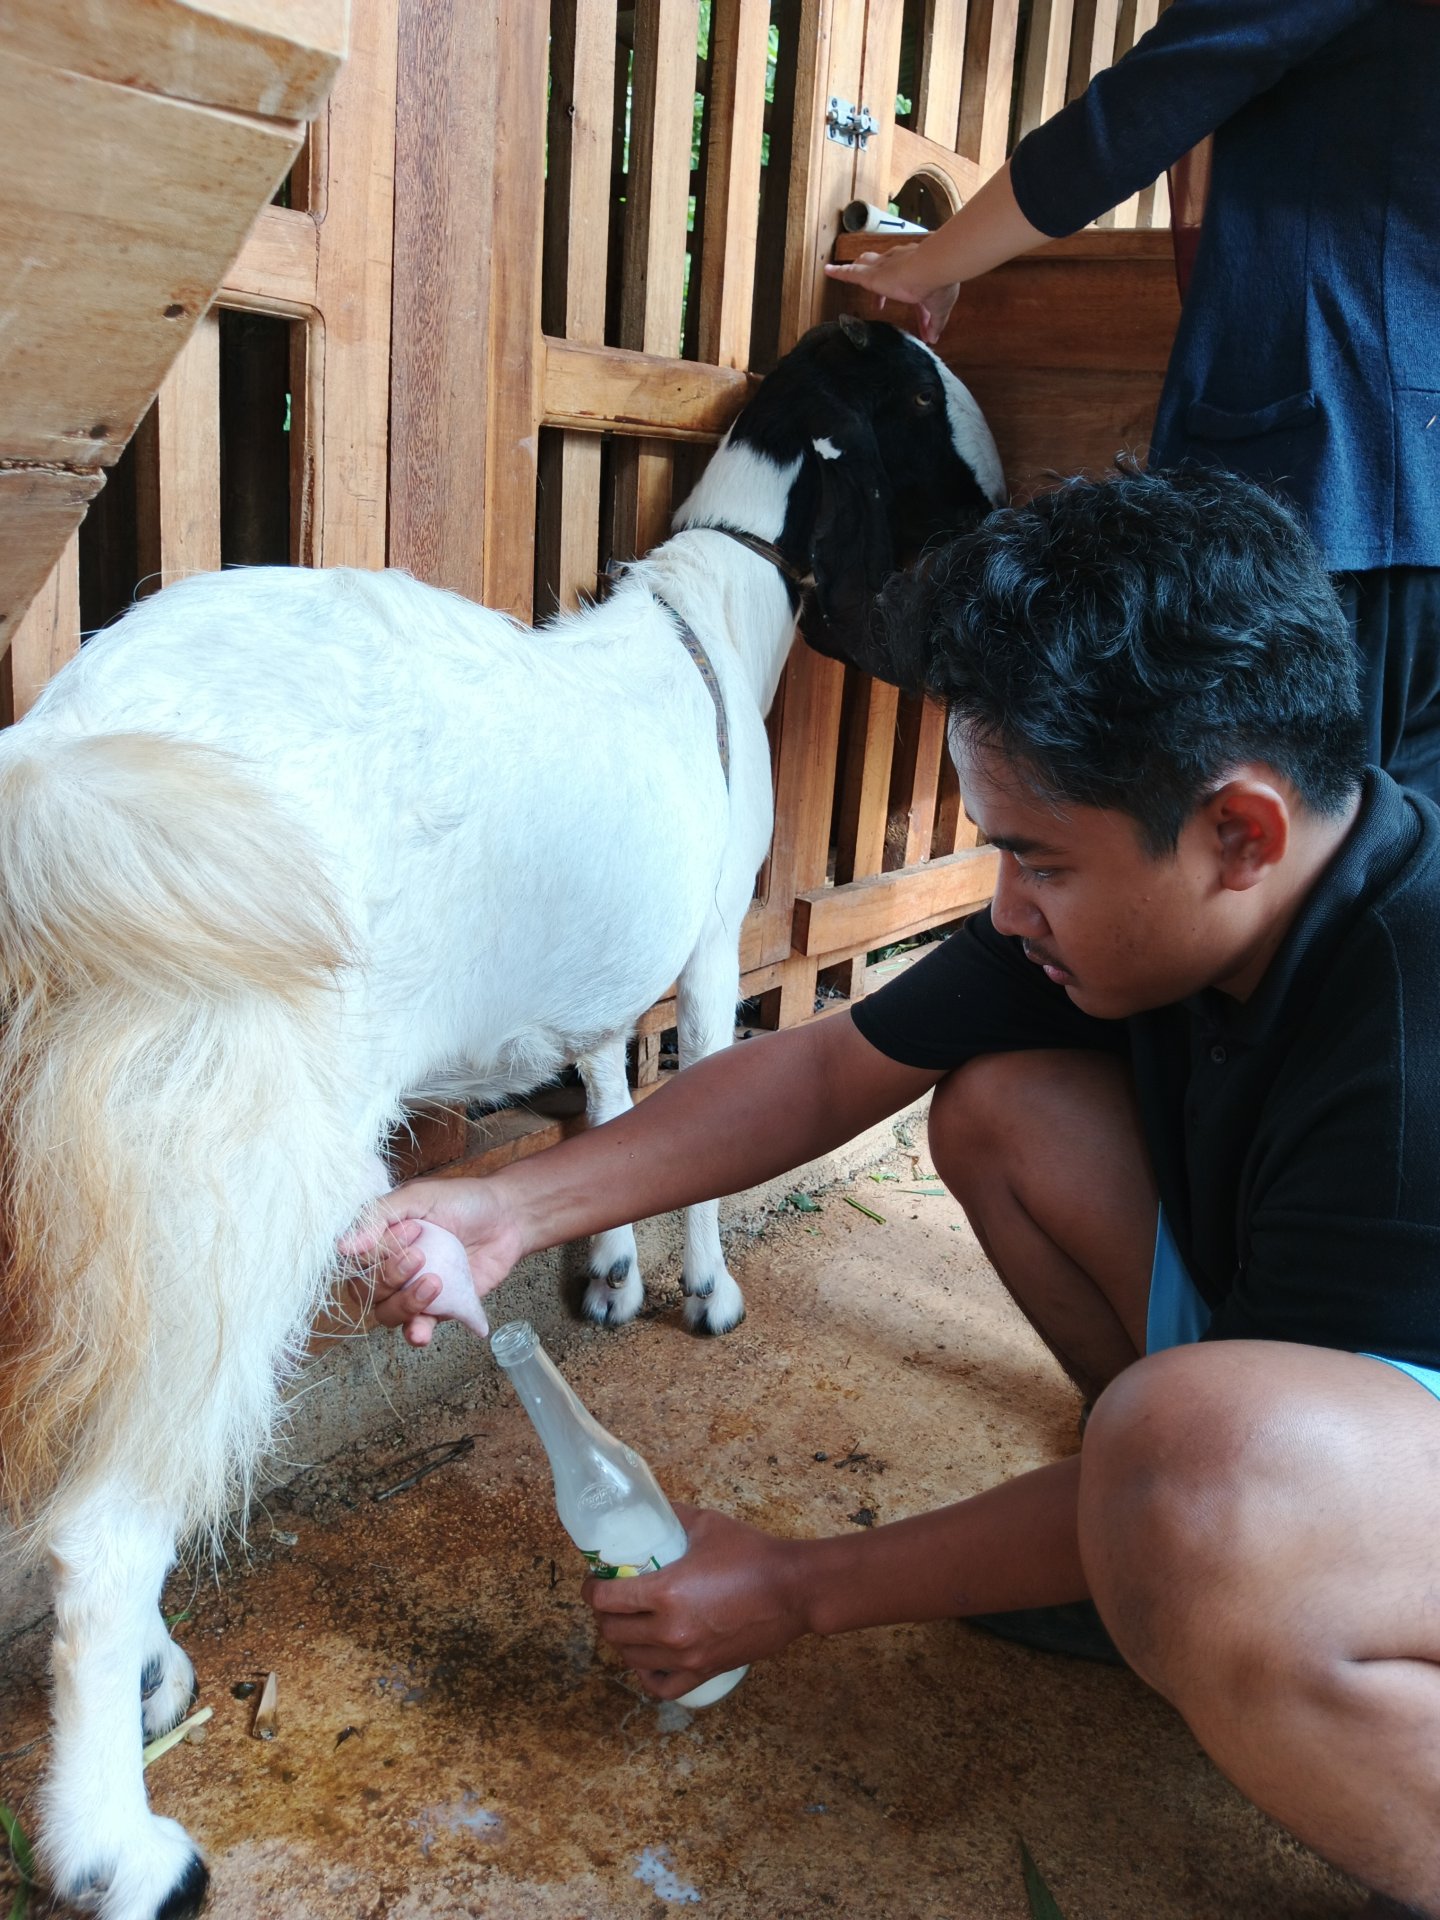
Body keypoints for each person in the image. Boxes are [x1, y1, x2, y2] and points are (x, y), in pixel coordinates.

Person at [349, 466, 1440, 1918]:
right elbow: (821, 1073)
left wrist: (800, 1586)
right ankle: (1152, 1578)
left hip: (1352, 1438)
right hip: (1334, 1406)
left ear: (1237, 832)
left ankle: (1206, 1598)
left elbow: (1218, 1466)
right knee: (1003, 1111)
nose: (1006, 906)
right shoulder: (1197, 897)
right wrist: (514, 1210)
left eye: (1036, 858)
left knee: (1203, 1472)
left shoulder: (1412, 1026)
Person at [824, 0, 1440, 802]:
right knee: (1397, 880)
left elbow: (1133, 117)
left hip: (1335, 471)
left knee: (1255, 870)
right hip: (1404, 486)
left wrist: (928, 260)